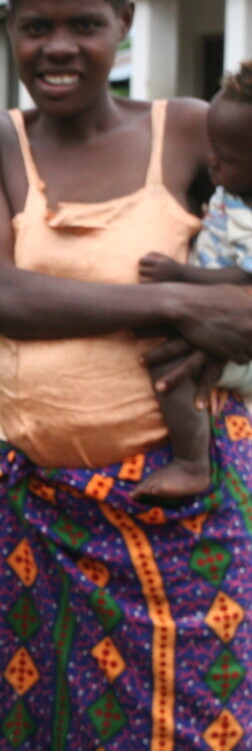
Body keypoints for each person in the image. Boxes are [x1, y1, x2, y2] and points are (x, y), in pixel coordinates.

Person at [0, 2, 252, 751]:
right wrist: (174, 300)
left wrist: (234, 312)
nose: (58, 48)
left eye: (84, 21)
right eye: (35, 26)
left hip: (192, 513)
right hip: (49, 518)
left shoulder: (194, 128)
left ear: (124, 20)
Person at [135, 62, 252, 500]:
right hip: (224, 315)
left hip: (241, 338)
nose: (211, 160)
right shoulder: (235, 191)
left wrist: (181, 277)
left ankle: (192, 463)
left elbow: (246, 273)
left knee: (170, 362)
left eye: (226, 155)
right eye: (212, 146)